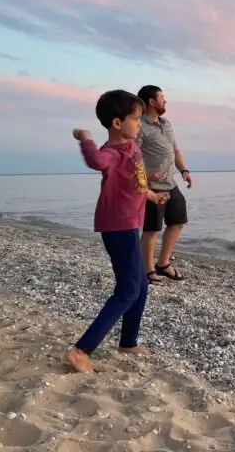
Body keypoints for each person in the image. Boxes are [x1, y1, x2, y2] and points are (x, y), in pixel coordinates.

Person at [66, 89, 169, 374]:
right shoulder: (110, 152)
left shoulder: (132, 147)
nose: (139, 124)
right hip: (117, 226)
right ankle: (80, 350)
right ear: (116, 123)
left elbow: (133, 180)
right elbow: (96, 162)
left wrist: (150, 193)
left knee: (141, 286)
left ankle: (128, 342)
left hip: (130, 224)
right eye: (135, 119)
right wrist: (86, 138)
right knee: (127, 289)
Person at [135, 85, 192, 285]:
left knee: (178, 221)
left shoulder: (166, 124)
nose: (165, 100)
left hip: (171, 183)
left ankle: (163, 263)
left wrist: (184, 170)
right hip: (153, 187)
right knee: (151, 230)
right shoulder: (138, 125)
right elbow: (131, 156)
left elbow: (175, 150)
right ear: (152, 101)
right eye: (162, 97)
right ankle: (148, 270)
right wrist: (145, 177)